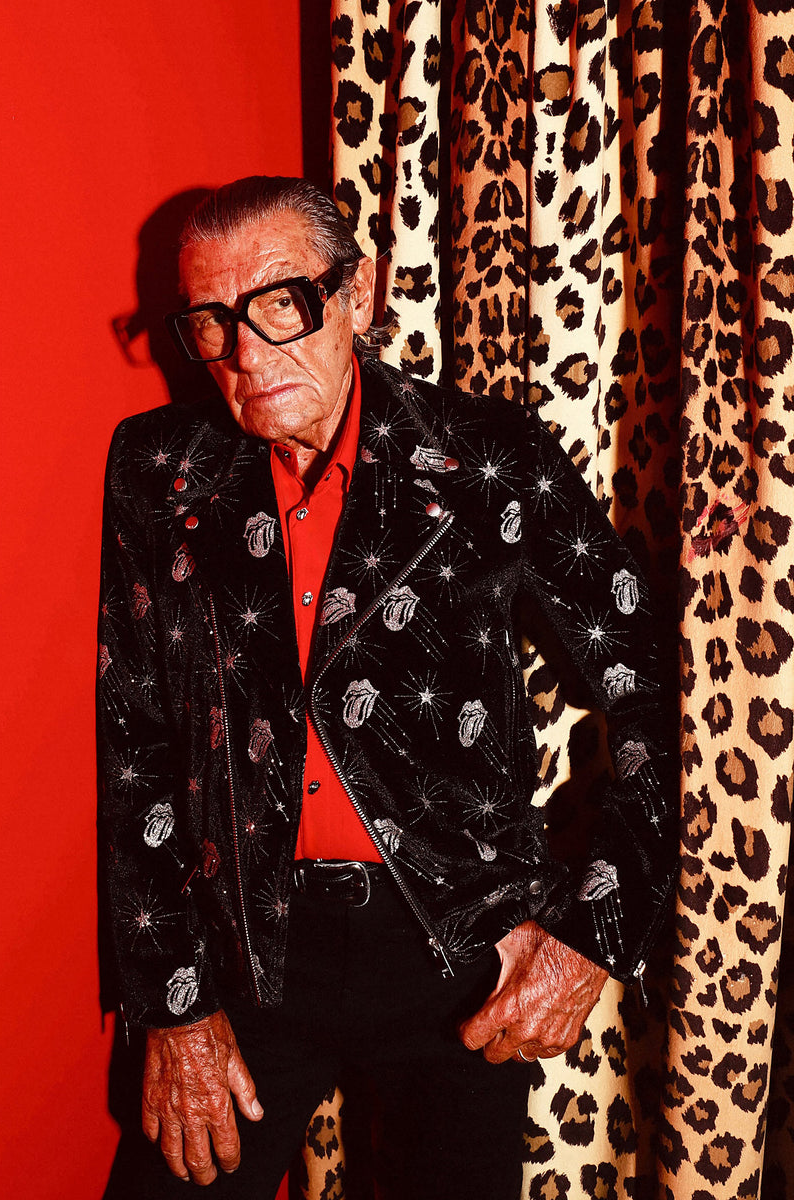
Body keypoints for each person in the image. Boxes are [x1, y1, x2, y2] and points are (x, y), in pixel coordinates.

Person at [97, 176, 678, 1199]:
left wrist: (592, 933)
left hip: (455, 957)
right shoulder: (159, 468)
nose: (245, 355)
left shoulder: (489, 457)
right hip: (242, 955)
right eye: (210, 321)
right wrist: (172, 1003)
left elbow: (657, 692)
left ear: (356, 295)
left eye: (282, 303)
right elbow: (134, 732)